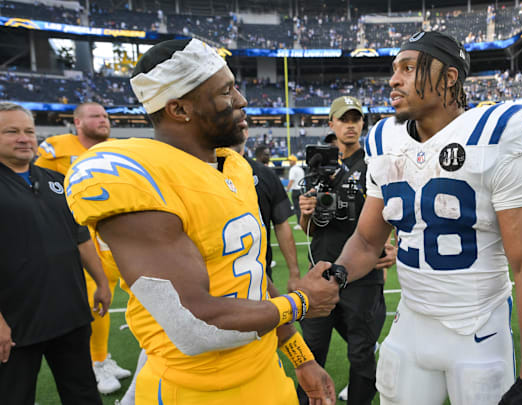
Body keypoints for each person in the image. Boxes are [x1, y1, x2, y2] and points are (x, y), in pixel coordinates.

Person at [64, 38, 340, 404]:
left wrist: (300, 356)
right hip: (195, 389)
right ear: (179, 109)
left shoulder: (232, 165)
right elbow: (194, 324)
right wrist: (301, 302)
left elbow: (252, 280)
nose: (242, 100)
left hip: (263, 371)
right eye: (226, 91)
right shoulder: (138, 178)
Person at [335, 31, 522, 404]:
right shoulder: (386, 140)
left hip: (478, 329)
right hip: (411, 323)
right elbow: (368, 241)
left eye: (408, 68)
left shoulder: (498, 133)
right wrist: (335, 274)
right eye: (393, 69)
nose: (393, 79)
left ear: (450, 77)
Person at [0, 102, 111, 405]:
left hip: (70, 313)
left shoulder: (55, 181)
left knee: (83, 392)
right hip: (16, 322)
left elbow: (80, 236)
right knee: (14, 396)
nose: (24, 138)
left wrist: (100, 280)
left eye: (29, 131)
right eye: (12, 132)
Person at [297, 96, 395, 405]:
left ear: (362, 123)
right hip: (322, 271)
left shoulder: (375, 163)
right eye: (343, 119)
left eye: (355, 119)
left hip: (362, 275)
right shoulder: (316, 166)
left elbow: (395, 211)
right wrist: (306, 211)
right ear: (332, 124)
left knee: (362, 353)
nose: (350, 125)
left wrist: (393, 245)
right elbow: (308, 229)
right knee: (310, 352)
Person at [33, 101, 130, 394]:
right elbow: (35, 186)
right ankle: (95, 362)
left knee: (119, 292)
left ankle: (102, 357)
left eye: (105, 115)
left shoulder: (118, 147)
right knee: (92, 299)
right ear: (77, 122)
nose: (103, 120)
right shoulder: (56, 148)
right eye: (95, 116)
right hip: (78, 235)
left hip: (112, 232)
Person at [233, 129, 301, 283]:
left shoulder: (265, 175)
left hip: (260, 277)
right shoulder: (200, 173)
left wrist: (294, 272)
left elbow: (281, 224)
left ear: (246, 132)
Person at [286, 154, 305, 231]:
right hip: (302, 189)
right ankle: (302, 223)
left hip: (296, 190)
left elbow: (291, 180)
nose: (289, 162)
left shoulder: (293, 169)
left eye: (290, 160)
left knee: (297, 208)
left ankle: (299, 224)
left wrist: (287, 190)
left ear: (294, 161)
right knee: (301, 208)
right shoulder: (300, 169)